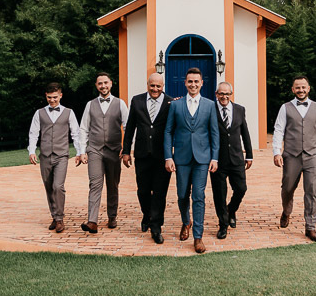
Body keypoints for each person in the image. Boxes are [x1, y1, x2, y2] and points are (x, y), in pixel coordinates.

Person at [164, 68, 219, 254]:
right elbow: (168, 131)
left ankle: (198, 237)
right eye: (190, 81)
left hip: (202, 158)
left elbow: (214, 133)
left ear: (202, 83)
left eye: (196, 81)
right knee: (181, 195)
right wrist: (168, 156)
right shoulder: (175, 105)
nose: (193, 85)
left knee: (198, 195)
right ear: (185, 83)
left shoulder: (210, 105)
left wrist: (215, 157)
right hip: (181, 157)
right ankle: (185, 221)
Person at [272, 75, 316, 242]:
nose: (301, 90)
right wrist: (277, 152)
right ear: (293, 89)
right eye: (297, 87)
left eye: (303, 87)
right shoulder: (285, 108)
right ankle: (286, 211)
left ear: (308, 88)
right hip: (291, 155)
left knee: (312, 191)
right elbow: (278, 130)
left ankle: (310, 227)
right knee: (287, 188)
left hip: (312, 154)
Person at [122, 73, 173, 244]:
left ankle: (156, 227)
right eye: (152, 86)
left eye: (158, 86)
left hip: (162, 156)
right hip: (142, 154)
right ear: (147, 85)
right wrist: (126, 151)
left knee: (160, 192)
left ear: (163, 86)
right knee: (143, 190)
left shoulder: (171, 102)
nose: (155, 89)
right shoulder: (137, 101)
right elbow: (130, 128)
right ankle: (147, 214)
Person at [28, 82, 83, 233]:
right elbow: (33, 133)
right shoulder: (39, 113)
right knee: (49, 187)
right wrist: (31, 151)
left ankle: (59, 219)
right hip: (45, 155)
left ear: (60, 95)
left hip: (61, 155)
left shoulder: (69, 112)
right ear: (46, 96)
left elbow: (75, 133)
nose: (52, 100)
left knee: (58, 186)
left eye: (55, 97)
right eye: (49, 98)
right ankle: (54, 215)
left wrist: (79, 152)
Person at [78, 72, 129, 234]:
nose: (103, 86)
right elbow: (83, 129)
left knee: (113, 185)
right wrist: (82, 151)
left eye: (105, 83)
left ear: (111, 83)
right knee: (95, 184)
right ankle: (92, 221)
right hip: (94, 150)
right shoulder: (90, 105)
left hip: (114, 151)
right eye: (100, 83)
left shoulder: (120, 104)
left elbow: (128, 126)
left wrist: (126, 148)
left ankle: (112, 216)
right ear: (96, 86)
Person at [209, 81, 253, 239]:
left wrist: (249, 154)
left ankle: (231, 210)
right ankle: (223, 224)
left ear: (231, 94)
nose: (224, 96)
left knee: (241, 188)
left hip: (236, 158)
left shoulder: (240, 109)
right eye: (221, 93)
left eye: (227, 94)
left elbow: (245, 133)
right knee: (219, 194)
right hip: (217, 160)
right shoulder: (210, 109)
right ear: (216, 94)